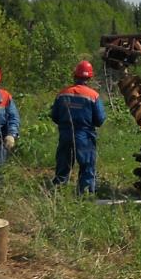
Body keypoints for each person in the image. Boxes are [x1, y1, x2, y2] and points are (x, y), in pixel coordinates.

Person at [50, 60, 107, 193]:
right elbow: (100, 119)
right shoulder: (93, 95)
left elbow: (54, 116)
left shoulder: (63, 93)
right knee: (87, 166)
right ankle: (85, 196)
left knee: (63, 166)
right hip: (85, 136)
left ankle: (58, 194)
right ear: (89, 77)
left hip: (65, 135)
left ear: (75, 75)